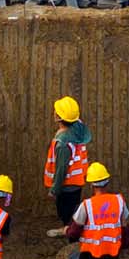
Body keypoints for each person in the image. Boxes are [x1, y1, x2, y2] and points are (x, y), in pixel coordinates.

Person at [43, 96, 91, 236]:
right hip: (77, 181)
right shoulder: (78, 130)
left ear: (58, 117)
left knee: (66, 212)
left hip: (67, 185)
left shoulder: (62, 144)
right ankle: (71, 229)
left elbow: (61, 170)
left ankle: (70, 232)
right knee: (73, 209)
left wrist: (54, 190)